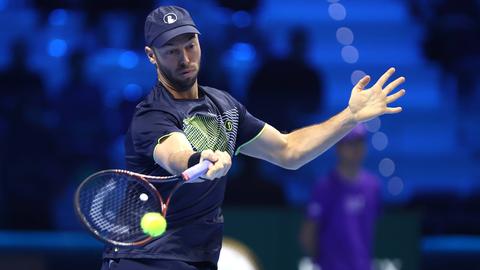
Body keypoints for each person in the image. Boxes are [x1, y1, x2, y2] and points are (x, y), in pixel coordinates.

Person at [101, 5, 405, 270]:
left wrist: (349, 116)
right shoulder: (151, 114)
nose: (184, 58)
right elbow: (173, 154)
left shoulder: (225, 107)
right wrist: (198, 159)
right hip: (144, 261)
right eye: (171, 51)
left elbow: (290, 151)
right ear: (151, 56)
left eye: (190, 45)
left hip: (196, 257)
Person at [299, 125, 381, 270]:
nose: (356, 149)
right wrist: (325, 262)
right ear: (338, 148)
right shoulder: (324, 188)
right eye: (350, 143)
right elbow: (308, 235)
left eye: (360, 142)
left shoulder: (373, 186)